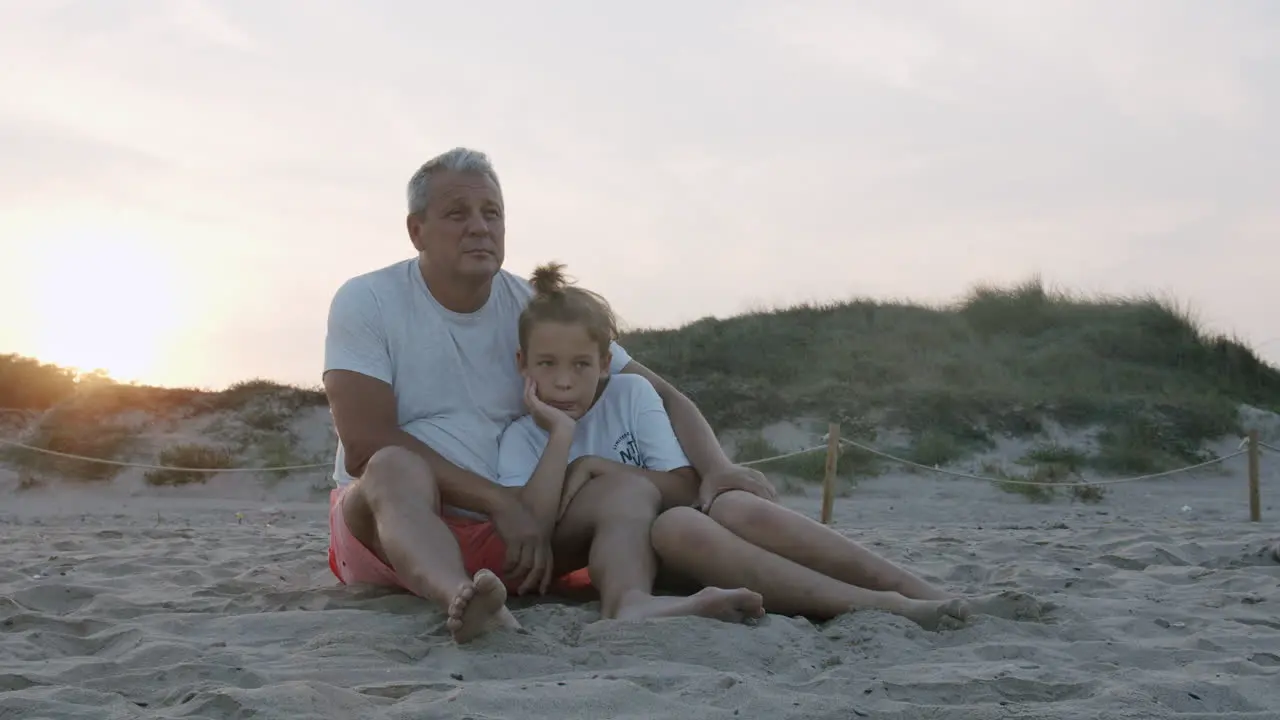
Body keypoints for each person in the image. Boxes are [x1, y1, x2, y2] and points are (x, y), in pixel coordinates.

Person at [322, 147, 768, 643]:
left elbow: (657, 391)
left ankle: (638, 603)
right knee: (392, 466)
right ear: (416, 230)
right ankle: (462, 599)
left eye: (492, 213)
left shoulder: (532, 308)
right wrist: (498, 502)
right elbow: (365, 444)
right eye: (457, 213)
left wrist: (719, 468)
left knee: (626, 490)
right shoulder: (369, 300)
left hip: (526, 532)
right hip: (396, 532)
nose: (479, 227)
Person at [499, 263, 1045, 630]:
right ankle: (882, 606)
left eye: (581, 365)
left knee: (723, 506)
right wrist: (563, 440)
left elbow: (685, 485)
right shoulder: (519, 435)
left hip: (689, 539)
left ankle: (919, 589)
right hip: (629, 559)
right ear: (524, 366)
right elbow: (536, 529)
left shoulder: (633, 392)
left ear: (606, 362)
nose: (565, 382)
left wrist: (594, 465)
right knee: (661, 515)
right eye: (548, 365)